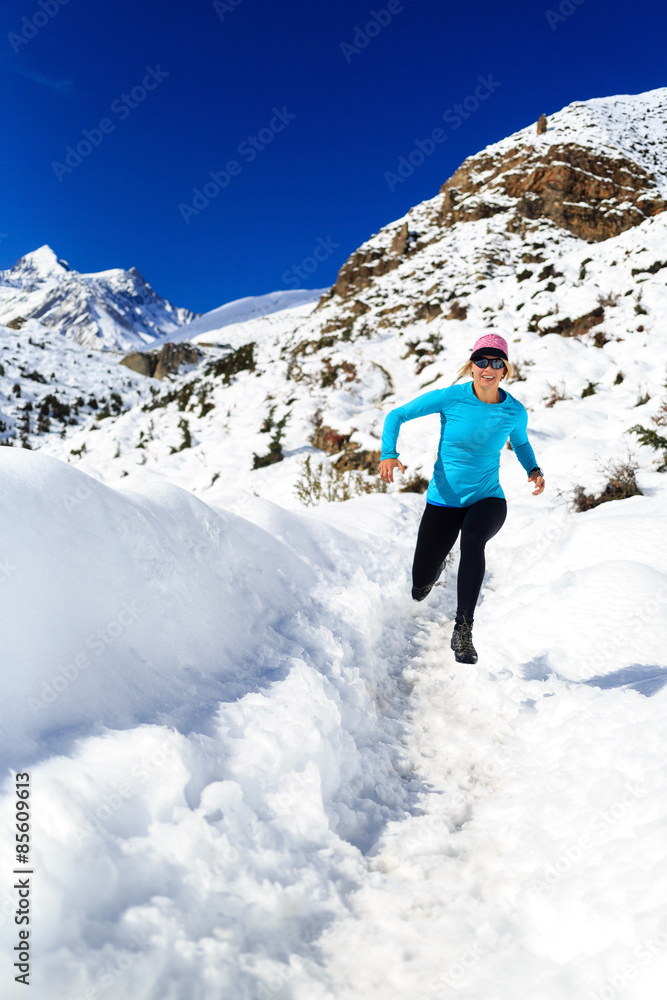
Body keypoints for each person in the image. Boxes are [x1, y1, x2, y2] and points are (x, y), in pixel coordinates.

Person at [379, 334, 544, 665]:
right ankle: (435, 567)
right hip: (442, 502)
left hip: (487, 499)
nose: (488, 368)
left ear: (505, 370)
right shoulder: (451, 398)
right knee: (419, 585)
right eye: (481, 361)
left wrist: (534, 469)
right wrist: (388, 454)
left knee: (472, 540)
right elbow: (396, 415)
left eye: (496, 362)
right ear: (471, 366)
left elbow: (521, 444)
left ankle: (463, 629)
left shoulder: (513, 411)